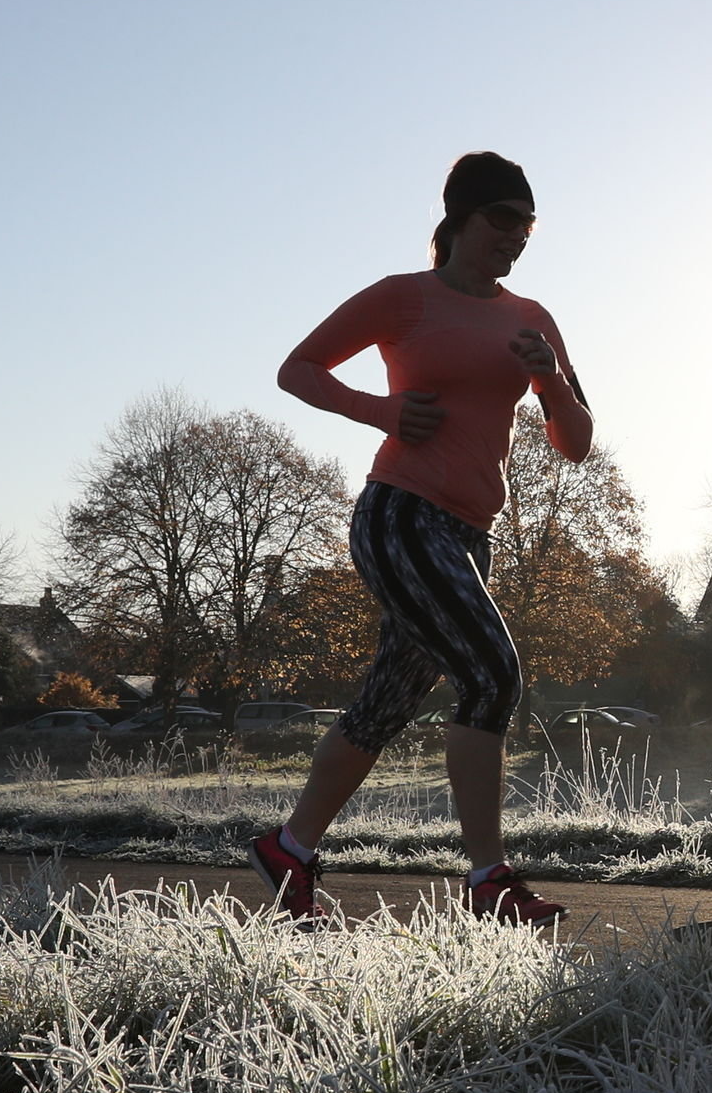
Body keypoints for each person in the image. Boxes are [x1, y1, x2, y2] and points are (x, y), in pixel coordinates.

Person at [250, 150, 590, 926]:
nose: (517, 236)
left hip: (470, 535)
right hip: (401, 515)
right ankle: (489, 882)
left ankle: (289, 849)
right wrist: (383, 412)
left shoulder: (531, 318)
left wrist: (555, 384)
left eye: (527, 224)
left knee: (386, 700)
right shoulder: (404, 299)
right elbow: (296, 369)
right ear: (459, 220)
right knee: (492, 673)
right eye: (502, 219)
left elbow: (576, 443)